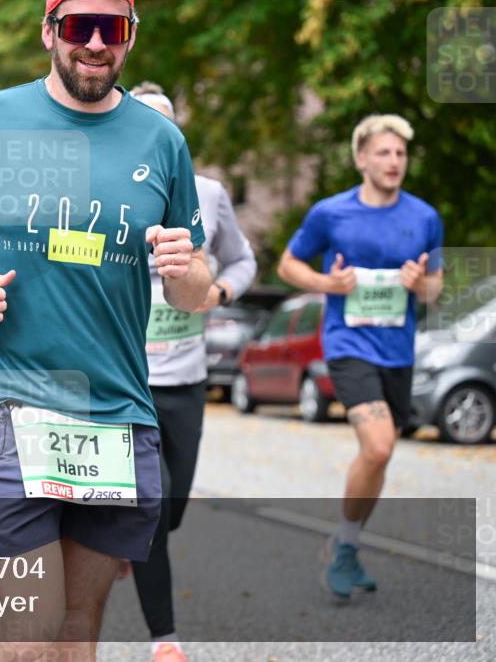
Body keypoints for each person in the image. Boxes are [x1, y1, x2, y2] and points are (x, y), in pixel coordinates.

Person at [0, 0, 211, 659]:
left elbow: (194, 290)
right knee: (32, 628)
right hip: (14, 401)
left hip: (117, 411)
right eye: (77, 26)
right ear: (48, 32)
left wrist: (184, 269)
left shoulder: (161, 141)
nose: (94, 43)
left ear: (130, 37)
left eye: (111, 28)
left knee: (75, 630)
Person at [277, 114, 443, 599]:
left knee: (379, 454)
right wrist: (327, 283)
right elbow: (288, 264)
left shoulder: (425, 217)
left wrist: (421, 283)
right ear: (361, 159)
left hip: (398, 350)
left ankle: (346, 546)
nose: (394, 161)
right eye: (384, 152)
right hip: (348, 344)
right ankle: (346, 548)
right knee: (379, 446)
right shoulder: (331, 213)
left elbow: (435, 288)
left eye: (401, 153)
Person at [121, 82, 258, 662]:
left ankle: (129, 539)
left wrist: (218, 291)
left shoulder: (207, 193)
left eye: (166, 128)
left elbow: (244, 259)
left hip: (186, 381)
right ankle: (165, 641)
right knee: (153, 506)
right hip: (127, 383)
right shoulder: (109, 192)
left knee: (170, 512)